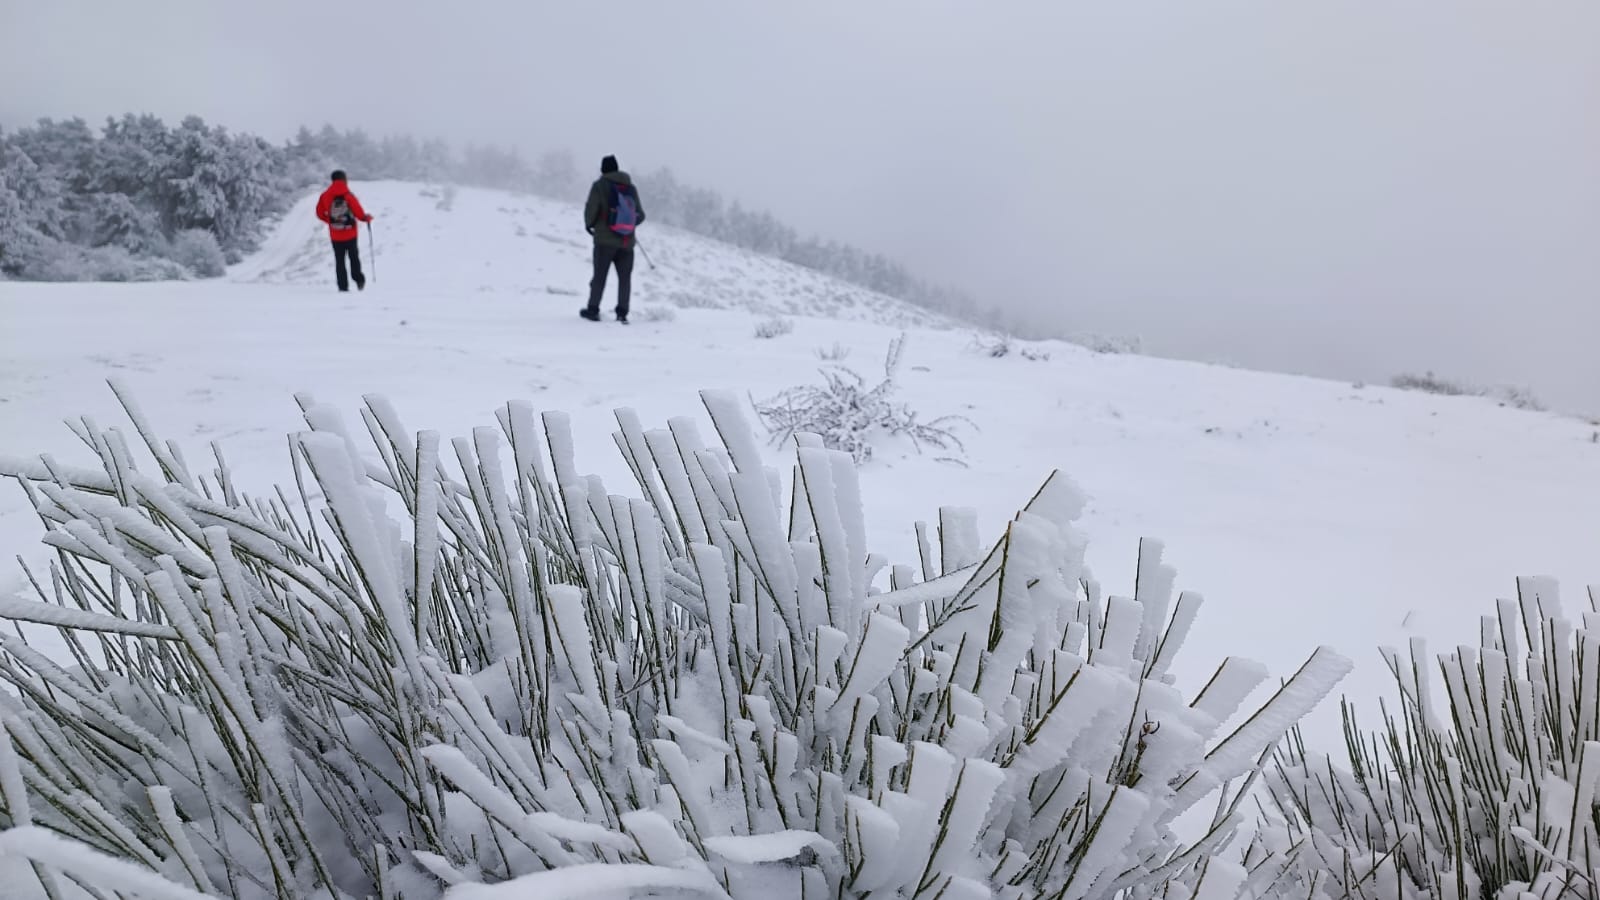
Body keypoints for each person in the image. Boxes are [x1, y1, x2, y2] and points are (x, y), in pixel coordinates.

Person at [581, 155, 645, 323]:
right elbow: (641, 215)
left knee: (600, 276)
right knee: (625, 279)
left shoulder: (599, 186)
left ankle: (593, 309)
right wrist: (627, 226)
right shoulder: (630, 187)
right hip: (627, 243)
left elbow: (592, 209)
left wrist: (590, 224)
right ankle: (622, 312)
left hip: (604, 241)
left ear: (603, 169)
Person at [315, 170, 374, 292]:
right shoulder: (348, 195)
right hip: (350, 233)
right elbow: (358, 212)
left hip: (335, 234)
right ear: (344, 180)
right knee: (354, 257)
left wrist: (330, 222)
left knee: (339, 260)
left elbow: (319, 213)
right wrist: (366, 218)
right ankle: (359, 280)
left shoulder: (325, 195)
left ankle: (343, 286)